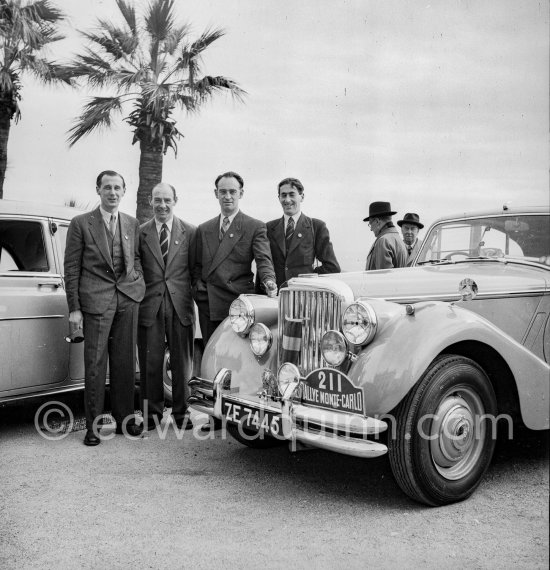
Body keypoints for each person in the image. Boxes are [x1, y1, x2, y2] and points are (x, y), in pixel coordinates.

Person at [64, 170, 145, 446]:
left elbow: (135, 258)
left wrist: (137, 289)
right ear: (98, 190)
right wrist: (74, 308)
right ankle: (94, 427)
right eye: (107, 187)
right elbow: (72, 267)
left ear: (124, 192)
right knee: (96, 365)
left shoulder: (132, 223)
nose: (112, 193)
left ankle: (124, 421)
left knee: (124, 364)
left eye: (117, 188)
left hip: (127, 300)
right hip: (95, 302)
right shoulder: (81, 223)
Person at [193, 171, 277, 346]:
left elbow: (264, 260)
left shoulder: (254, 226)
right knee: (212, 356)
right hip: (210, 306)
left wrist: (269, 281)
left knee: (238, 358)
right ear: (216, 194)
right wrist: (200, 294)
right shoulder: (204, 229)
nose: (227, 196)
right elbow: (196, 267)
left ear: (241, 194)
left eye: (232, 191)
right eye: (223, 192)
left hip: (239, 307)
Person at [138, 183, 196, 432]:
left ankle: (182, 413)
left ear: (175, 200)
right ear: (151, 202)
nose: (162, 205)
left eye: (167, 200)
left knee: (182, 363)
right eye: (157, 200)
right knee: (150, 361)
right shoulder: (140, 233)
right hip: (149, 305)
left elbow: (196, 270)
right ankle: (152, 414)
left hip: (180, 304)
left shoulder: (191, 232)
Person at [265, 177, 340, 289]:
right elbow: (265, 264)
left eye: (292, 194)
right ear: (279, 198)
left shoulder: (317, 227)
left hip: (304, 296)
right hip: (275, 296)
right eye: (283, 195)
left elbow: (332, 267)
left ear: (302, 197)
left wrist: (306, 278)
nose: (287, 200)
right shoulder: (269, 228)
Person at [363, 201, 407, 270]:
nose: (371, 229)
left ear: (377, 221)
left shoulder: (383, 241)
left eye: (370, 224)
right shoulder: (397, 238)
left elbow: (383, 277)